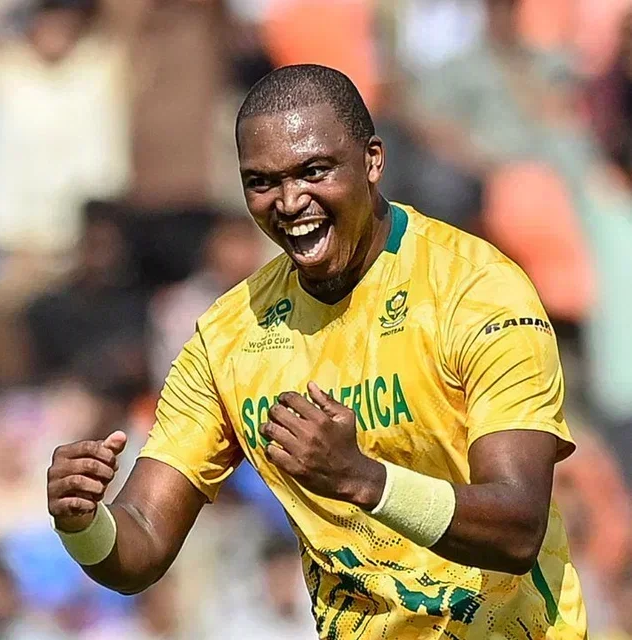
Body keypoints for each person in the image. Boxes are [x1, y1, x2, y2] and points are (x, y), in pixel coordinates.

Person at [46, 65, 587, 638]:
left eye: (314, 171)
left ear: (372, 161)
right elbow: (143, 544)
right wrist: (83, 523)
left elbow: (517, 528)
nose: (289, 200)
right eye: (261, 182)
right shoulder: (228, 337)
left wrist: (361, 478)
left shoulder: (476, 290)